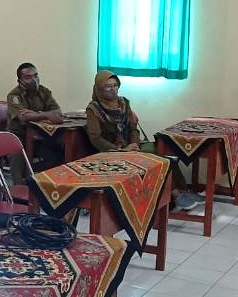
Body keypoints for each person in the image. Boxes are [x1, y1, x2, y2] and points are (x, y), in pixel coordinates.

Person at [85, 71, 203, 210]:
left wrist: (134, 144)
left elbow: (133, 128)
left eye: (115, 85)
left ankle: (183, 192)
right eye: (108, 86)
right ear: (99, 88)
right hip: (112, 151)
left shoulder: (123, 103)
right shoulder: (94, 109)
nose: (113, 89)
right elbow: (96, 138)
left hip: (131, 147)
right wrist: (121, 150)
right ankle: (176, 196)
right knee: (157, 162)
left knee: (167, 158)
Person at [6, 63, 63, 184]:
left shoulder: (44, 91)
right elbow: (23, 117)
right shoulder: (14, 95)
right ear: (20, 80)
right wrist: (46, 115)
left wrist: (35, 114)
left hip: (39, 135)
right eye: (28, 77)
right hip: (19, 136)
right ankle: (19, 186)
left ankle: (38, 181)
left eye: (36, 75)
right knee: (17, 155)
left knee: (59, 154)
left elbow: (58, 112)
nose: (34, 80)